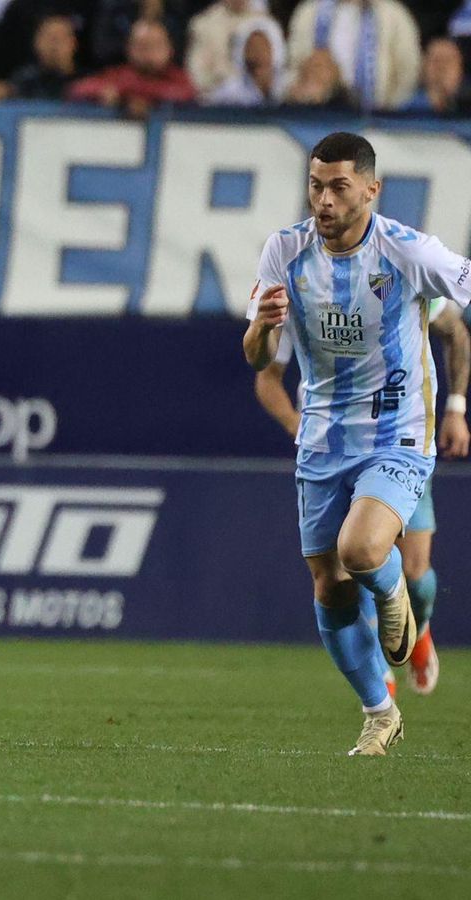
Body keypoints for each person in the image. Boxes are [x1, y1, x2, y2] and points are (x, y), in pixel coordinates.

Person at [242, 132, 471, 755]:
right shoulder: (284, 251)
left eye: (339, 187)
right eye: (316, 186)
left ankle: (397, 597)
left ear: (371, 190)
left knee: (364, 550)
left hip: (397, 431)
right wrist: (262, 328)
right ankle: (379, 712)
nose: (324, 200)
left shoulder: (407, 251)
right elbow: (258, 359)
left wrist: (456, 406)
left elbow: (460, 312)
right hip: (322, 436)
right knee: (330, 585)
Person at [252, 293, 467, 698]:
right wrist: (298, 426)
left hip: (396, 441)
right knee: (348, 565)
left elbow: (455, 330)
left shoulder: (400, 271)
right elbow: (266, 375)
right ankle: (378, 683)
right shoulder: (300, 283)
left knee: (416, 574)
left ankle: (419, 627)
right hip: (331, 448)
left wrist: (455, 408)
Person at [286, 0, 420, 111]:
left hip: (377, 117)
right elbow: (294, 65)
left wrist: (389, 111)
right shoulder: (309, 11)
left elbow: (408, 72)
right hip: (318, 113)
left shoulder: (394, 15)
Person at [68, 19, 196, 116]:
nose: (148, 52)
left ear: (169, 49)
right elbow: (78, 89)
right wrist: (105, 93)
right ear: (129, 49)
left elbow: (185, 94)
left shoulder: (179, 78)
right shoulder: (118, 74)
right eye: (141, 46)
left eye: (155, 45)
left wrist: (128, 96)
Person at [202, 17, 290, 107]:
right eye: (252, 47)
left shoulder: (289, 86)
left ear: (276, 49)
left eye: (263, 47)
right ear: (241, 51)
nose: (258, 54)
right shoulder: (227, 94)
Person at [3, 13, 83, 100]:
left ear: (73, 43)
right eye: (49, 37)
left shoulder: (86, 82)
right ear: (36, 43)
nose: (54, 44)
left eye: (61, 37)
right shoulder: (22, 82)